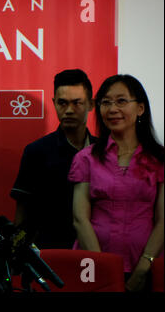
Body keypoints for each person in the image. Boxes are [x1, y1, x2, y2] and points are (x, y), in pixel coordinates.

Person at [69, 74, 164, 292]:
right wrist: (103, 269)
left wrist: (142, 269)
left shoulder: (159, 159)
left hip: (146, 265)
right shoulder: (86, 158)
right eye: (106, 102)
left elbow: (163, 221)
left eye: (121, 101)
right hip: (93, 265)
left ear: (140, 108)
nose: (112, 109)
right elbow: (79, 218)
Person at [10, 69, 96, 249]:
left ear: (91, 104)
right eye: (62, 103)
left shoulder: (105, 152)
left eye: (77, 103)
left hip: (97, 251)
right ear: (54, 103)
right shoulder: (36, 151)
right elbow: (22, 215)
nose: (69, 110)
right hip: (49, 256)